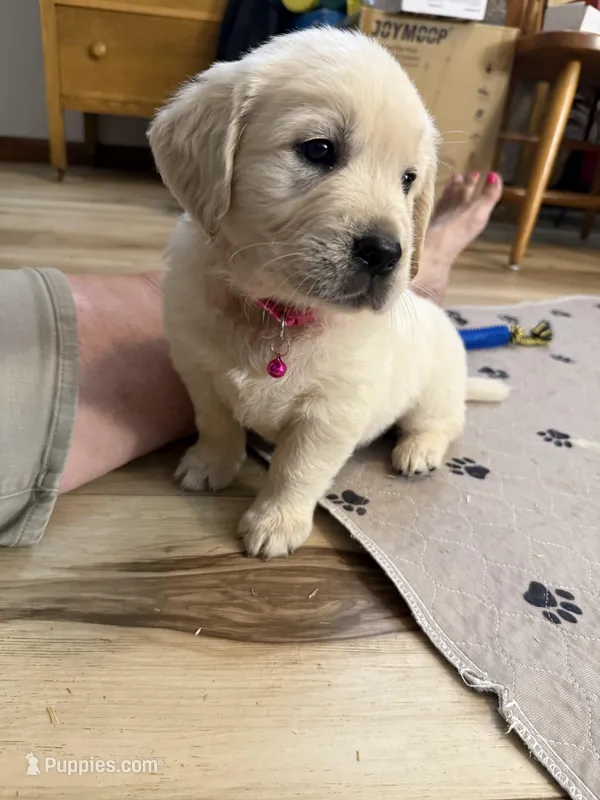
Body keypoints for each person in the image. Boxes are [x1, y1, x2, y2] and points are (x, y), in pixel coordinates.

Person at [0, 171, 502, 547]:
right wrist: (218, 443)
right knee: (199, 359)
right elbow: (197, 367)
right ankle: (423, 281)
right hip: (236, 292)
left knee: (429, 360)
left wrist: (289, 500)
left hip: (416, 354)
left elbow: (337, 412)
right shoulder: (187, 288)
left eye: (407, 179)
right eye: (319, 151)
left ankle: (430, 384)